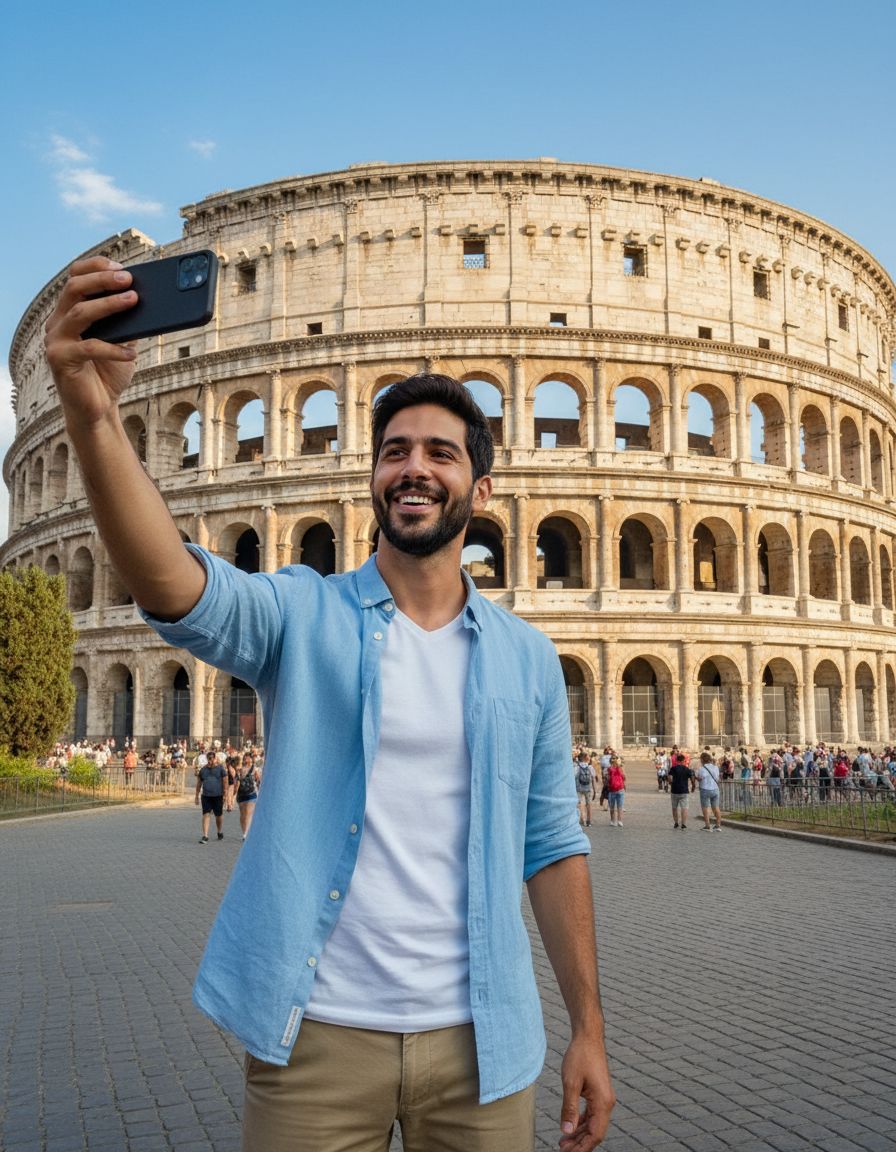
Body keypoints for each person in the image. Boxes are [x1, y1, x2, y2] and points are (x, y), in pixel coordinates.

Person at [45, 264, 615, 1152]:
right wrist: (92, 416)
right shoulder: (299, 614)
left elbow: (553, 846)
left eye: (440, 453)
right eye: (395, 451)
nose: (414, 469)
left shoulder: (529, 660)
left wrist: (589, 1026)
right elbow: (172, 582)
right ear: (373, 480)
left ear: (484, 491)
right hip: (314, 1036)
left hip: (485, 1043)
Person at [195, 750, 227, 843]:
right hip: (206, 796)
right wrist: (196, 796)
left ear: (215, 759)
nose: (210, 761)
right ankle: (205, 836)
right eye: (208, 759)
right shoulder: (203, 770)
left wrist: (225, 794)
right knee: (206, 814)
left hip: (218, 795)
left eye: (212, 759)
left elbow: (225, 781)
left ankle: (219, 831)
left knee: (218, 815)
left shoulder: (221, 769)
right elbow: (199, 783)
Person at [236, 752, 260, 840]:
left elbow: (258, 781)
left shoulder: (255, 769)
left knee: (248, 813)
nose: (246, 758)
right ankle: (244, 831)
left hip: (252, 794)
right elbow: (237, 782)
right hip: (241, 794)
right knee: (242, 814)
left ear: (251, 759)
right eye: (245, 757)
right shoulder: (240, 769)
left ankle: (246, 834)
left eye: (247, 757)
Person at [694, 751, 721, 830]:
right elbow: (717, 778)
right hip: (715, 789)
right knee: (716, 807)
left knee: (705, 808)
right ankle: (718, 825)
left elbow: (699, 778)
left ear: (702, 760)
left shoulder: (701, 769)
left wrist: (696, 778)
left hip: (705, 789)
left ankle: (707, 825)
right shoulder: (716, 768)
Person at [668, 751, 694, 829]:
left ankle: (676, 822)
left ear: (676, 761)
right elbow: (692, 776)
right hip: (684, 791)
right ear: (683, 761)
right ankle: (683, 824)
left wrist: (670, 783)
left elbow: (669, 777)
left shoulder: (673, 768)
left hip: (674, 790)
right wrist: (693, 785)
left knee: (674, 807)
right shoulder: (687, 769)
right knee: (684, 808)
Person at [606, 756, 625, 828]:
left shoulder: (611, 768)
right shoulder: (617, 768)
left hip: (615, 789)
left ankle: (616, 821)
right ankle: (616, 820)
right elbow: (624, 777)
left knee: (615, 806)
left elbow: (607, 779)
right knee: (616, 806)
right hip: (616, 789)